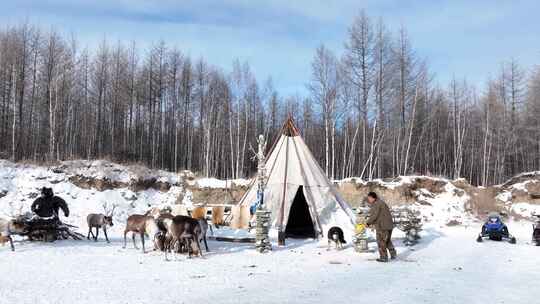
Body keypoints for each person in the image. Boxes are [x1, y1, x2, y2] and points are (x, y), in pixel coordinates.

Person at [366, 192, 396, 262]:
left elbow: (374, 215)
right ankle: (393, 253)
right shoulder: (381, 202)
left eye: (369, 198)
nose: (368, 200)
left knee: (381, 242)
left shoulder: (376, 204)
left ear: (372, 197)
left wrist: (368, 223)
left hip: (382, 226)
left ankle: (383, 257)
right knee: (387, 240)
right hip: (388, 225)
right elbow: (379, 215)